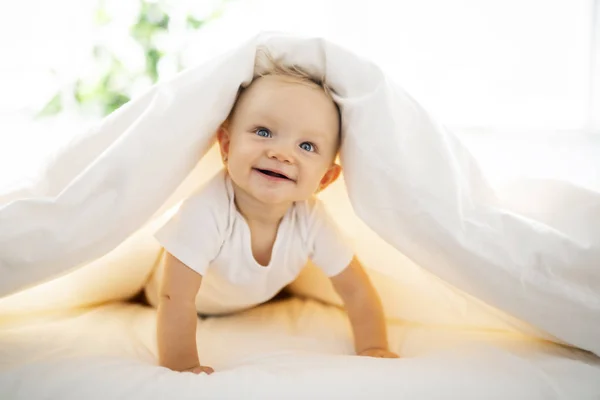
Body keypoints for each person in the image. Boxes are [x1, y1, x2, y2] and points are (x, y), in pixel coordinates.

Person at [152, 53, 399, 374]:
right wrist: (183, 368)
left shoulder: (311, 218)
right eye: (264, 132)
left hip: (245, 298)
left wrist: (373, 346)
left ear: (324, 179)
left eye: (307, 146)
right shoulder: (205, 209)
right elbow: (173, 298)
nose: (281, 153)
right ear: (226, 146)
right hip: (159, 290)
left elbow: (356, 290)